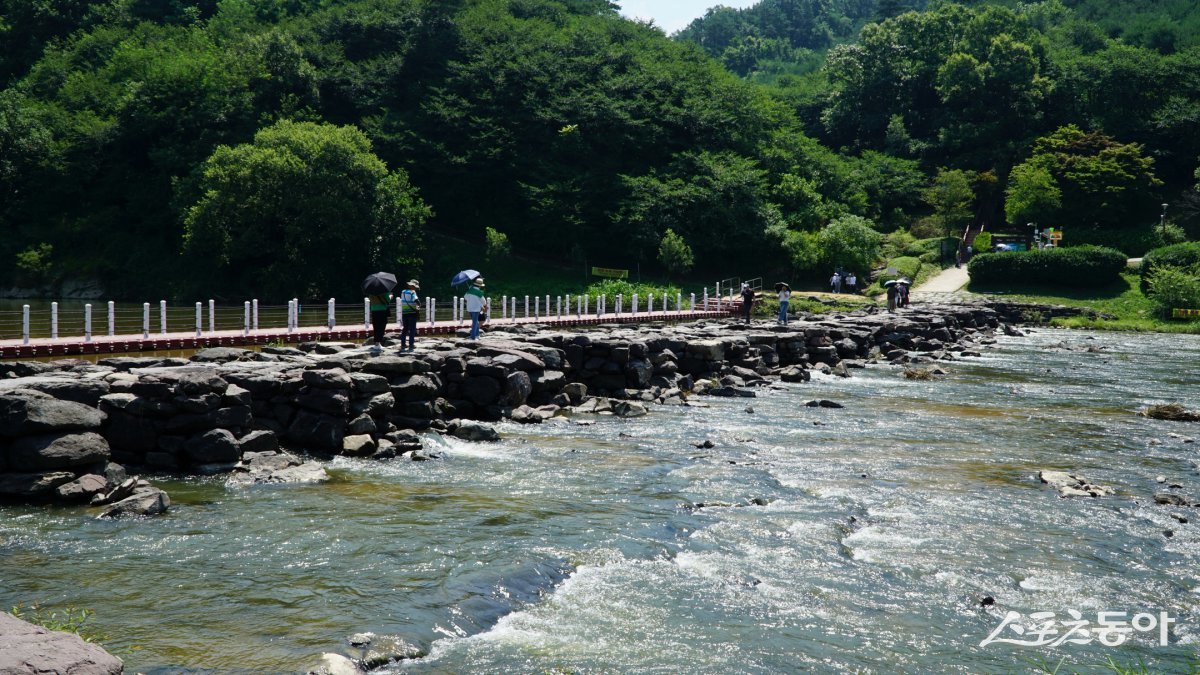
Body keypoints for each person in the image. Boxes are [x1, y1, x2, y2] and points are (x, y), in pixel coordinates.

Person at [398, 279, 421, 352]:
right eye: (415, 287)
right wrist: (419, 304)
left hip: (404, 313)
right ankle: (411, 344)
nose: (415, 288)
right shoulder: (412, 292)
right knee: (412, 329)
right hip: (412, 313)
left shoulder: (403, 292)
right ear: (413, 286)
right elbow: (416, 300)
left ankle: (403, 344)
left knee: (405, 329)